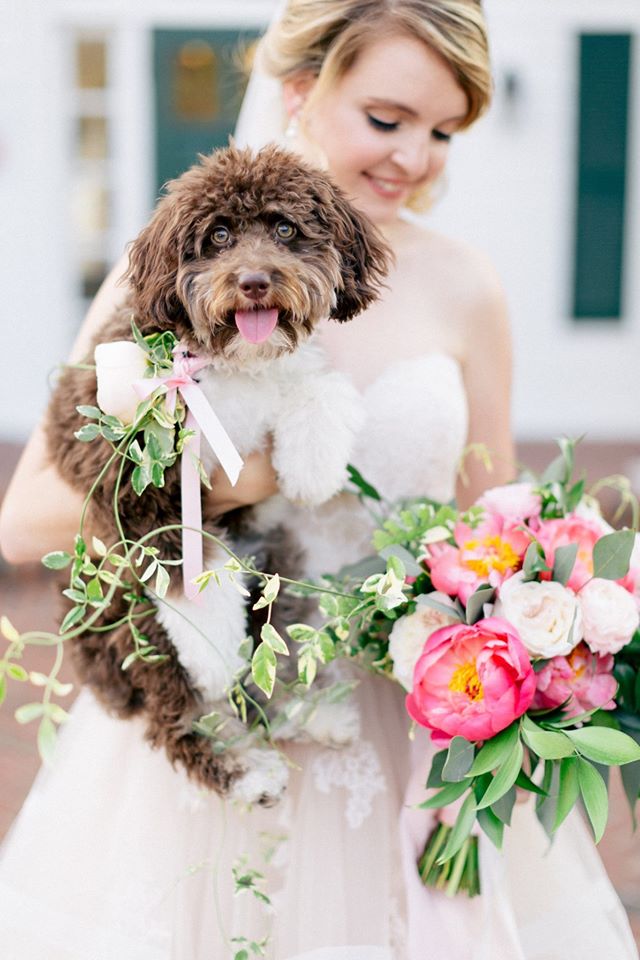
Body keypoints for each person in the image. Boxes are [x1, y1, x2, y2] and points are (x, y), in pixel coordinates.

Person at [0, 2, 636, 958]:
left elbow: (492, 525)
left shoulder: (468, 284)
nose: (414, 159)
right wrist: (224, 481)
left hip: (400, 715)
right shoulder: (177, 266)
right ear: (301, 89)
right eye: (387, 119)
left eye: (442, 131)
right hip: (208, 699)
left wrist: (549, 620)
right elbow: (26, 524)